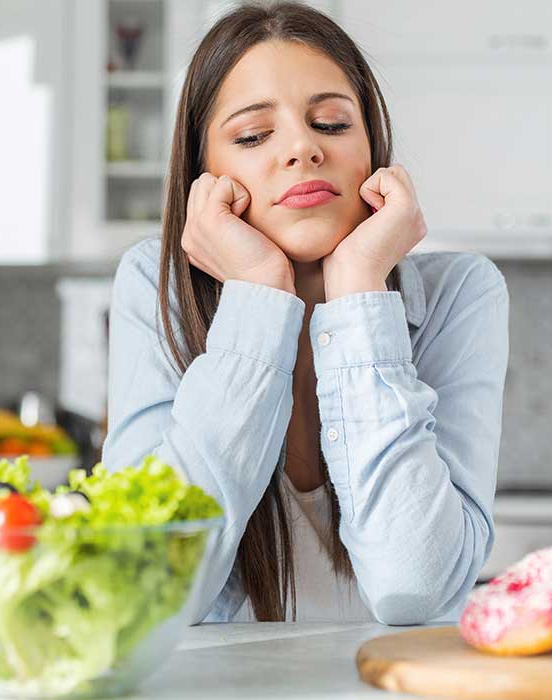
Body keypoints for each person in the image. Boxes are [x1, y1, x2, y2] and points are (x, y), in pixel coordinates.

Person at [100, 1, 509, 625]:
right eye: (253, 136)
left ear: (372, 149)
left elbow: (415, 586)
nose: (302, 149)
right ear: (205, 176)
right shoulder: (151, 287)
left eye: (331, 123)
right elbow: (143, 589)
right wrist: (260, 295)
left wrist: (359, 290)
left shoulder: (464, 292)